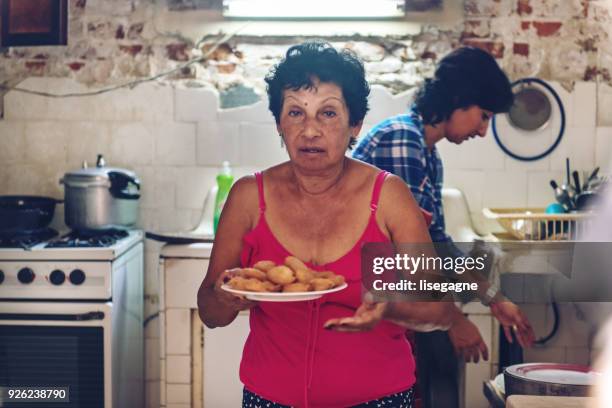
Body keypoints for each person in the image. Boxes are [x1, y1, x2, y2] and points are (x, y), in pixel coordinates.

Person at [197, 41, 457, 408]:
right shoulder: (247, 197)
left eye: (329, 113)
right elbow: (209, 311)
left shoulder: (388, 197)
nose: (310, 130)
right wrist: (224, 297)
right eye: (296, 113)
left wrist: (390, 308)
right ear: (279, 123)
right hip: (269, 399)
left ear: (355, 125)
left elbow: (441, 310)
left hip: (378, 400)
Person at [352, 46, 536, 408]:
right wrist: (455, 320)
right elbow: (415, 260)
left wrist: (494, 299)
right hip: (364, 299)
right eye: (483, 116)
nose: (483, 131)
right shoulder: (402, 140)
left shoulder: (427, 154)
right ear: (458, 99)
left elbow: (437, 245)